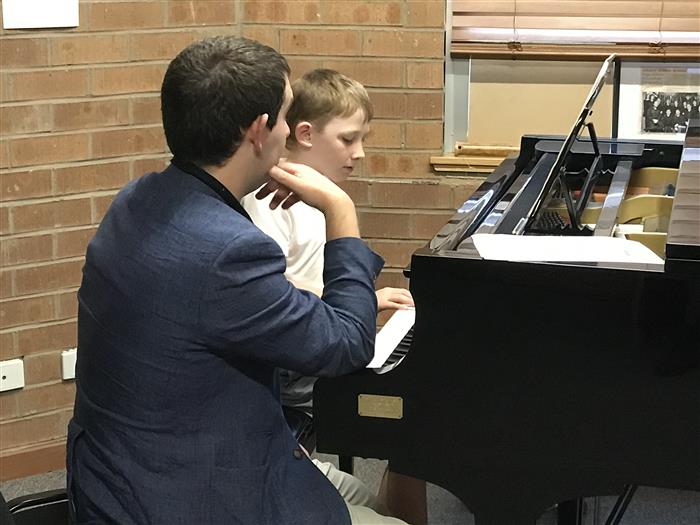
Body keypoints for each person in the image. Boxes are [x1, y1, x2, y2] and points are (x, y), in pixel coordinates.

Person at [66, 36, 408, 525]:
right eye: (287, 119)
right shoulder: (229, 251)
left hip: (115, 476)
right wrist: (340, 209)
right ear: (260, 130)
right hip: (186, 496)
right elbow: (347, 344)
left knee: (361, 496)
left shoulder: (138, 198)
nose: (290, 131)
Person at [242, 69, 427, 525]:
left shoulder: (315, 195)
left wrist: (371, 297)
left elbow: (313, 288)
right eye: (348, 139)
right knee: (414, 414)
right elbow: (275, 293)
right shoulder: (269, 200)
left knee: (419, 417)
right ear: (304, 133)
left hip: (313, 335)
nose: (359, 153)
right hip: (292, 367)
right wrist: (352, 302)